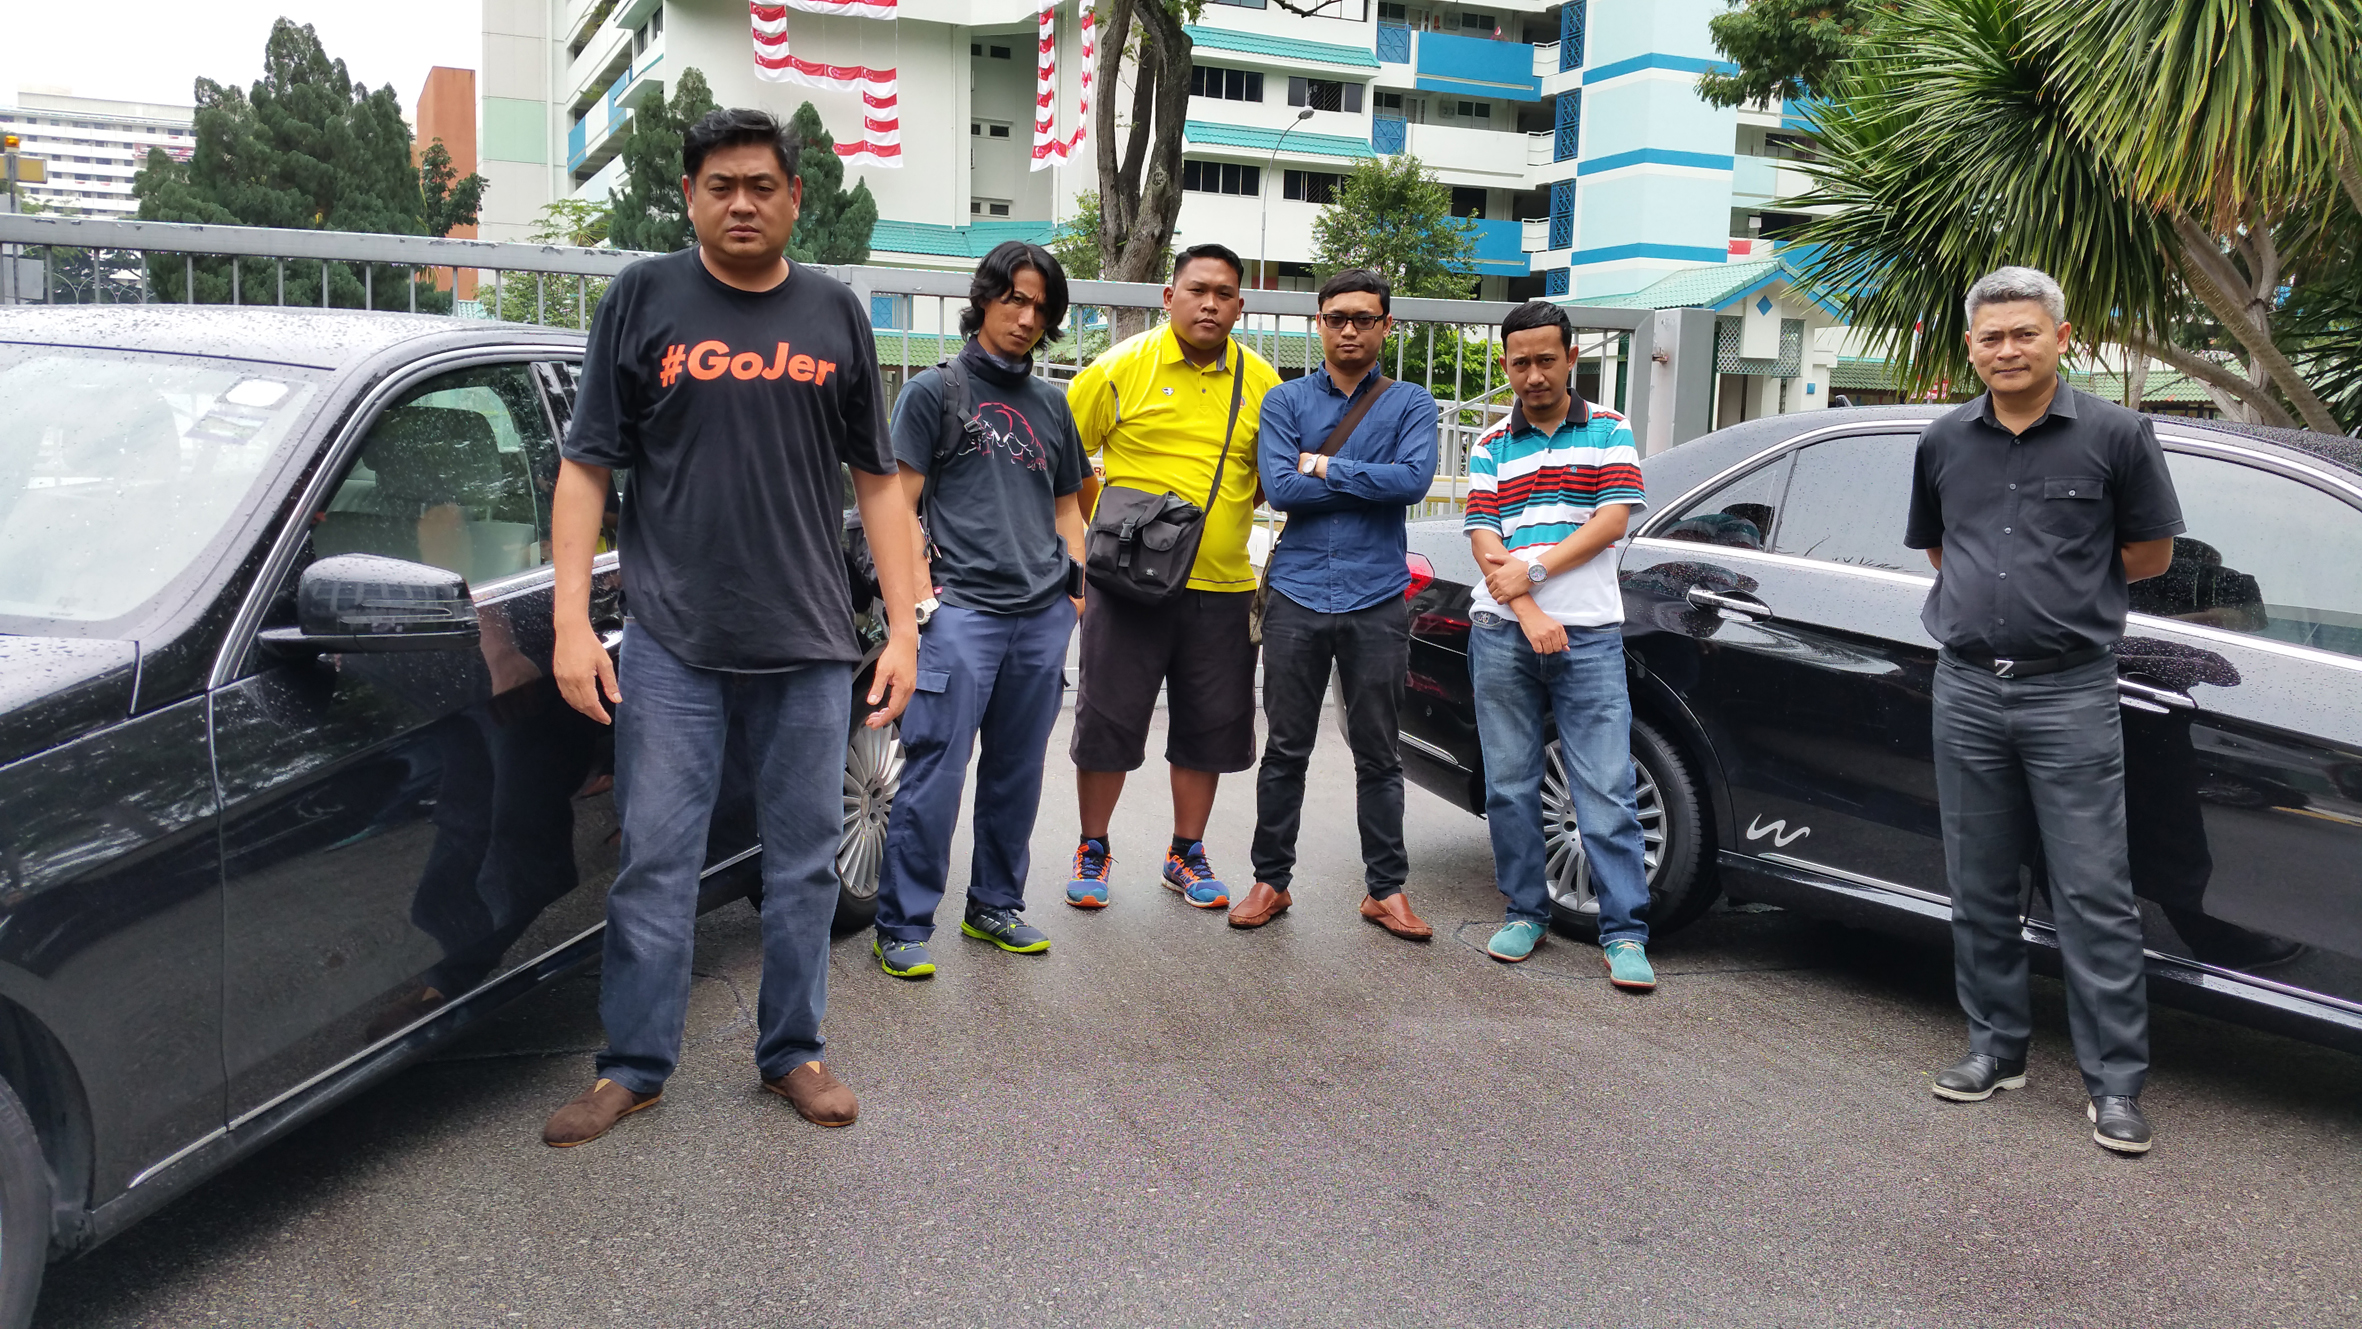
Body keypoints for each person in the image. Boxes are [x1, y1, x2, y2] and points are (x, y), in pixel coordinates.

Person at [539, 107, 922, 1147]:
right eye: (721, 185)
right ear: (690, 197)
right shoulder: (644, 298)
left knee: (800, 863)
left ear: (796, 197)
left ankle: (792, 1050)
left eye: (762, 185)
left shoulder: (835, 313)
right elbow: (586, 469)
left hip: (808, 645)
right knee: (655, 861)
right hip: (672, 644)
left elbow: (879, 486)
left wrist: (903, 628)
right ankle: (633, 1065)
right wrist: (574, 623)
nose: (742, 202)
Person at [1906, 265, 2182, 1155]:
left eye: (2024, 333)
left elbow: (2148, 553)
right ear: (1971, 346)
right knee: (1979, 881)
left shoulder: (2117, 434)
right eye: (1991, 336)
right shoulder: (1945, 439)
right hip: (1969, 687)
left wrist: (2061, 601)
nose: (2007, 349)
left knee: (2093, 891)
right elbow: (1946, 552)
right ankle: (1996, 1048)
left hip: (2071, 689)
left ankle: (2116, 1086)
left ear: (2062, 337)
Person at [869, 241, 1089, 979]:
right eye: (1014, 299)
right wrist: (924, 597)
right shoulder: (935, 391)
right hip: (962, 613)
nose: (1026, 317)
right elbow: (896, 504)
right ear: (986, 298)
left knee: (1017, 772)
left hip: (1039, 616)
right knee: (936, 770)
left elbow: (1068, 508)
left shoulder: (1053, 404)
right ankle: (901, 920)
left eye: (1040, 306)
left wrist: (1077, 590)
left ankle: (994, 904)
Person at [1061, 244, 1281, 911]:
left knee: (1211, 724)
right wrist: (1102, 536)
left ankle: (1186, 851)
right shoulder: (1121, 367)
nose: (1210, 303)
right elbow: (1062, 456)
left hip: (1220, 586)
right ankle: (1092, 845)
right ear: (1168, 296)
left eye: (1224, 293)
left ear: (1240, 305)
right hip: (1124, 587)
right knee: (1106, 718)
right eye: (1197, 289)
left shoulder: (1263, 382)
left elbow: (1270, 482)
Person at [1231, 269, 1440, 939]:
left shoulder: (1411, 402)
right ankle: (1271, 880)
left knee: (1379, 751)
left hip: (1378, 594)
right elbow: (1281, 489)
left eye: (1363, 317)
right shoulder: (1285, 400)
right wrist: (1352, 480)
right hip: (1296, 591)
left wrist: (1321, 465)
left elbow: (1411, 483)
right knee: (1286, 748)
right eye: (1336, 317)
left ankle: (1386, 889)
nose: (1349, 328)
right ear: (1319, 324)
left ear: (1386, 326)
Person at [1463, 301, 1656, 991]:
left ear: (1572, 357)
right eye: (1520, 362)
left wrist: (1536, 572)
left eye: (1547, 359)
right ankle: (1524, 909)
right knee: (1511, 784)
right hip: (1501, 634)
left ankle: (1625, 929)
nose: (1534, 374)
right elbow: (1486, 540)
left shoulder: (1609, 428)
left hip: (1592, 635)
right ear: (1506, 364)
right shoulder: (1488, 442)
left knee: (1606, 786)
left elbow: (1610, 521)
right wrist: (1525, 607)